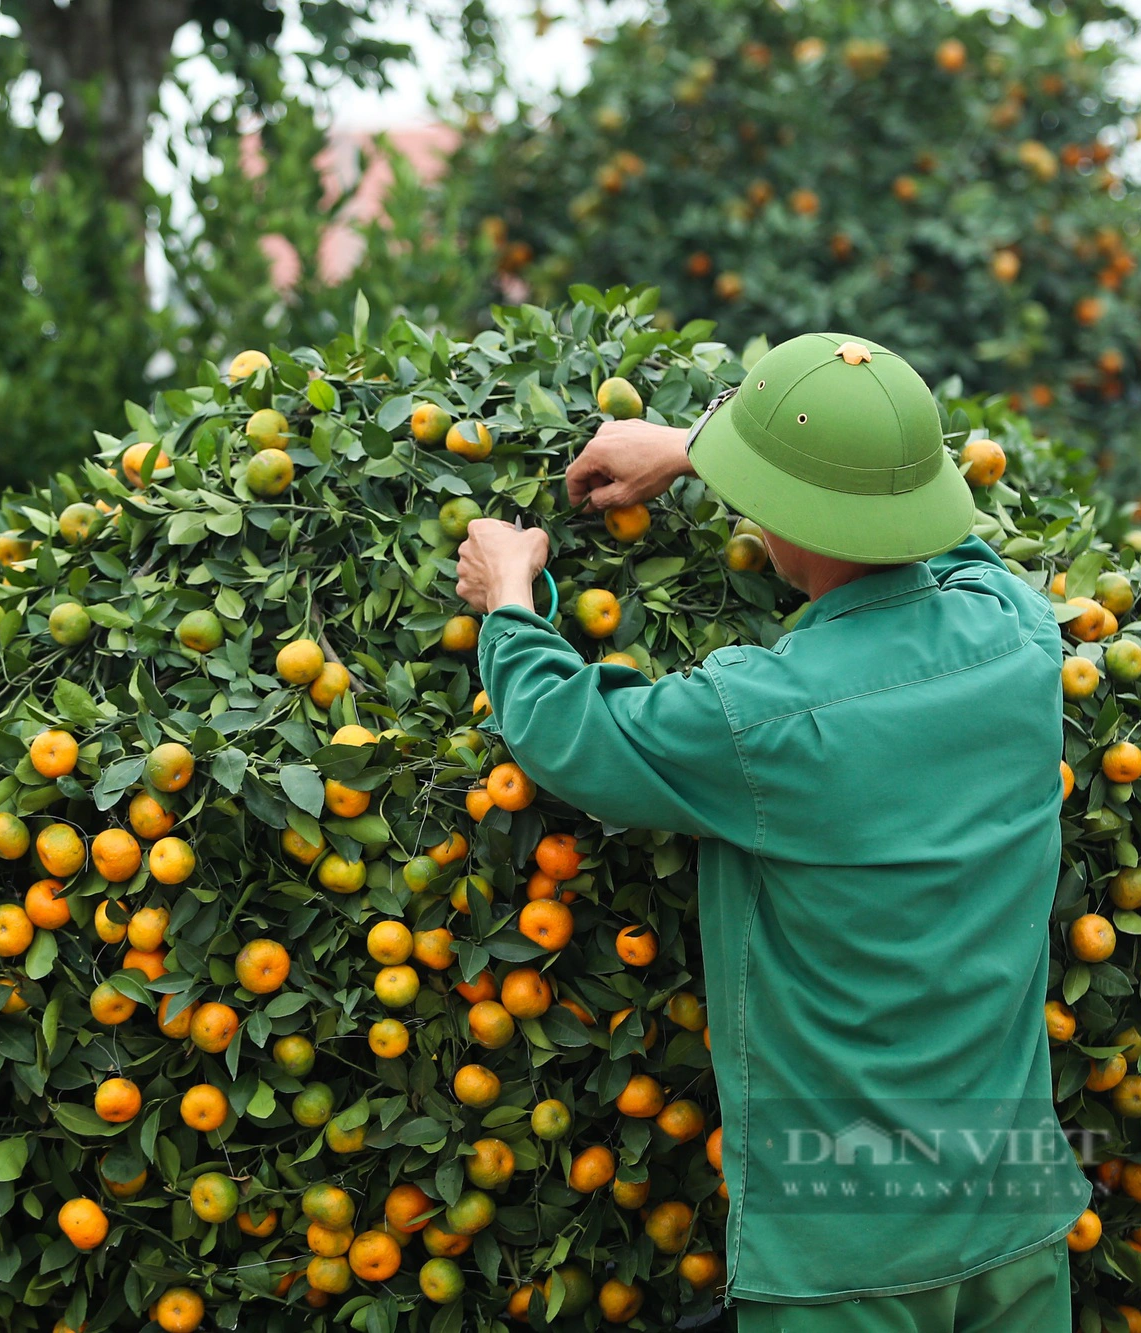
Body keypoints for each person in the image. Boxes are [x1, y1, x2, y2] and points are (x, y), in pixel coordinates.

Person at [454, 333, 1091, 1332]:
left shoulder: (764, 718)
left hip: (848, 1250)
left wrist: (505, 597)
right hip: (1013, 1212)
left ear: (783, 518)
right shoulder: (1016, 629)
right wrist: (693, 446)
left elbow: (569, 734)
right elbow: (944, 537)